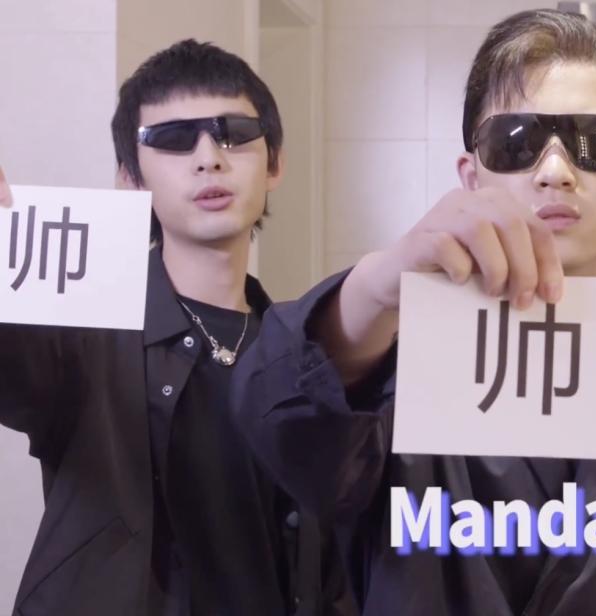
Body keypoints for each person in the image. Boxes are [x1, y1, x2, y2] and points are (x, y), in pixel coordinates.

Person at [232, 9, 596, 615]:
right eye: (516, 142)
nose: (555, 172)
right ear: (471, 175)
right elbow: (269, 420)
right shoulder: (389, 380)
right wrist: (378, 285)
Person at [0, 40, 342, 615]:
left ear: (274, 164)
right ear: (130, 179)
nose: (209, 157)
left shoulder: (310, 353)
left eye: (234, 133)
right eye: (173, 138)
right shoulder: (81, 336)